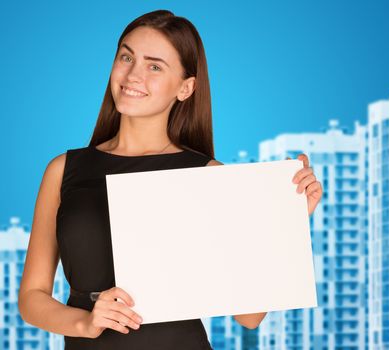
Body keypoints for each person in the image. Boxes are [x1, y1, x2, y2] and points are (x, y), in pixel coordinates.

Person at [17, 9, 323, 349]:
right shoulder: (64, 169)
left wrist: (288, 223)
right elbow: (32, 297)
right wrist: (86, 323)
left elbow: (248, 318)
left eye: (154, 66)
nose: (133, 74)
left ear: (186, 87)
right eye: (126, 57)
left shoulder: (209, 176)